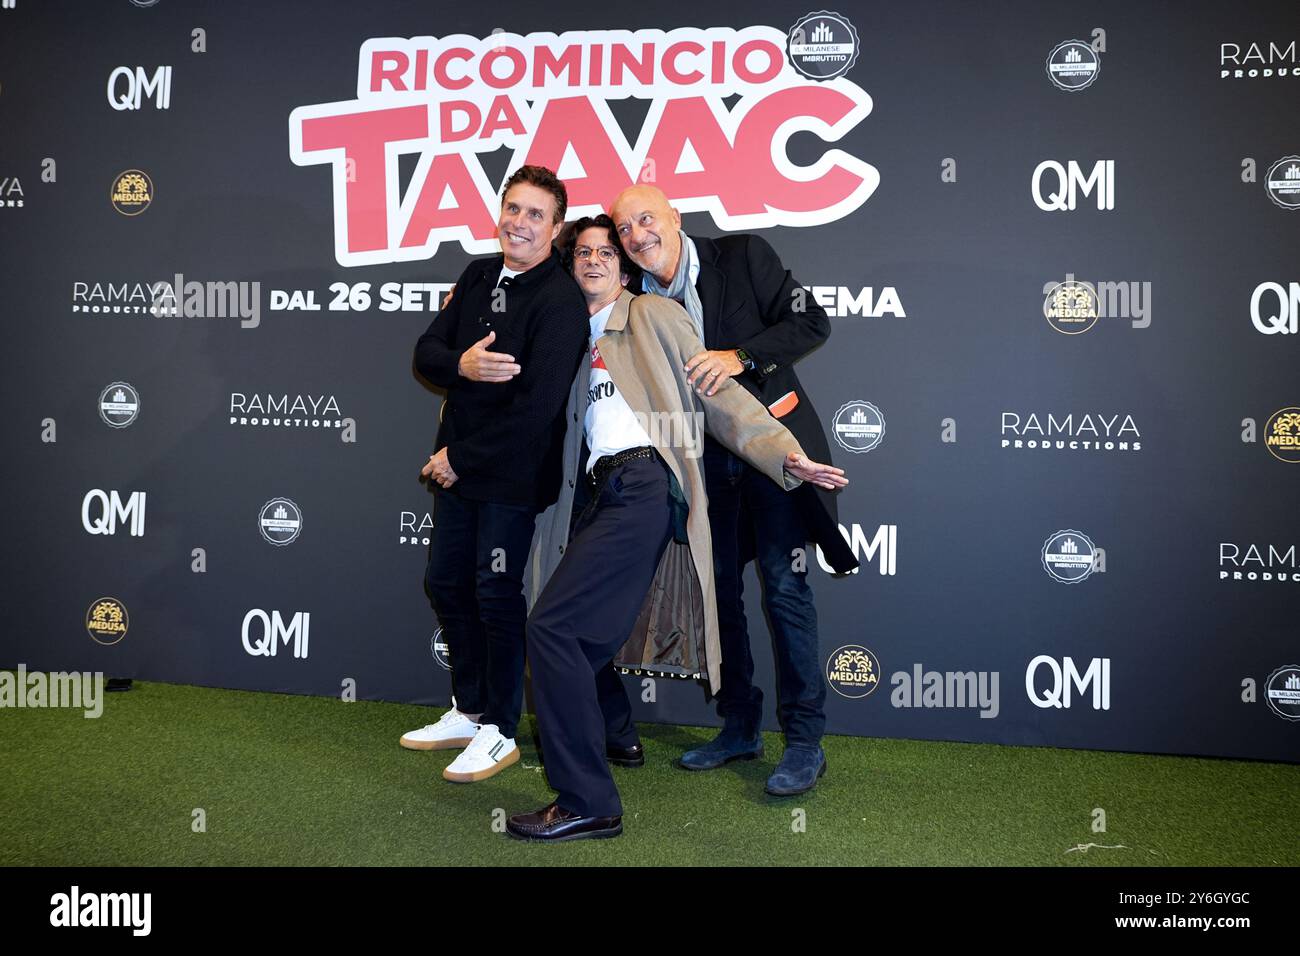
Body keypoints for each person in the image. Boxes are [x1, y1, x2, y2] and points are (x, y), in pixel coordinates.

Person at [505, 215, 847, 842]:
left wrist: (781, 451)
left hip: (645, 480)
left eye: (608, 250)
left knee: (556, 629)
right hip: (595, 494)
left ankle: (590, 797)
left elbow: (717, 397)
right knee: (577, 635)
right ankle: (620, 737)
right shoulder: (565, 336)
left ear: (627, 263)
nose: (595, 259)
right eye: (582, 251)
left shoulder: (654, 315)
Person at [609, 185, 859, 796]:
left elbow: (810, 321)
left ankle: (804, 741)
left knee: (783, 588)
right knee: (717, 598)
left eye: (647, 218)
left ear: (675, 217)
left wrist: (740, 356)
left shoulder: (745, 255)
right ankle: (739, 725)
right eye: (623, 228)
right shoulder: (635, 298)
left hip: (774, 451)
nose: (637, 234)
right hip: (702, 466)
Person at [401, 166, 587, 784]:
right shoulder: (479, 274)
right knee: (446, 583)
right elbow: (427, 353)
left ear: (556, 229)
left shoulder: (560, 300)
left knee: (495, 595)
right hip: (457, 471)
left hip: (507, 476)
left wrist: (461, 457)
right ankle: (470, 708)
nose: (520, 223)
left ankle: (501, 731)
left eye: (536, 214)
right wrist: (464, 363)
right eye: (513, 208)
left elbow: (538, 410)